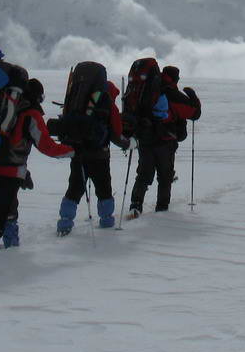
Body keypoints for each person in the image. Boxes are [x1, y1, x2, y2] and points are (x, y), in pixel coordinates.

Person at [0, 78, 73, 256]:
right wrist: (71, 151)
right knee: (2, 202)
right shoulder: (31, 114)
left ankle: (10, 241)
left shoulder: (7, 105)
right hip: (11, 167)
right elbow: (46, 146)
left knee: (7, 200)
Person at [53, 80, 131, 234]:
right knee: (104, 189)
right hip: (100, 156)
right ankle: (107, 220)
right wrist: (129, 143)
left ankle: (65, 222)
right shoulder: (109, 105)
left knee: (74, 188)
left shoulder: (80, 103)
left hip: (78, 153)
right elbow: (116, 134)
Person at [127, 65, 200, 218]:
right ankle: (162, 208)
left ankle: (135, 205)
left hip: (145, 139)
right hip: (165, 141)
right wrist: (193, 96)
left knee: (143, 174)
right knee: (165, 177)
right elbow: (194, 113)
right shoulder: (174, 95)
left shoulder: (146, 89)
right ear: (175, 79)